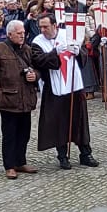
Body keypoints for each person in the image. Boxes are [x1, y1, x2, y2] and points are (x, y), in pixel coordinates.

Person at [33, 16, 99, 169]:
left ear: (54, 25)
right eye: (40, 27)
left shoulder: (68, 34)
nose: (43, 30)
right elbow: (38, 61)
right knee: (59, 122)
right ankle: (62, 155)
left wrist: (78, 52)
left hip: (74, 84)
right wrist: (54, 52)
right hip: (54, 87)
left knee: (80, 120)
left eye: (46, 27)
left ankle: (85, 153)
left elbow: (83, 55)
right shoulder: (37, 42)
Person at [0, 19, 40, 179]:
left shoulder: (28, 50)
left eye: (23, 33)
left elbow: (38, 69)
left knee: (24, 133)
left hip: (26, 99)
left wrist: (34, 76)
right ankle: (9, 165)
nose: (22, 35)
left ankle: (20, 161)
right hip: (9, 100)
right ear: (10, 34)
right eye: (19, 33)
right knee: (9, 134)